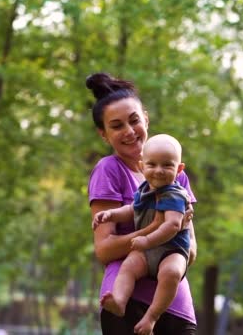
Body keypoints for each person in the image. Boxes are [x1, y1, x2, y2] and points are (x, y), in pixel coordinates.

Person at [86, 72, 197, 334]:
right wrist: (153, 231)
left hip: (176, 303)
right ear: (103, 134)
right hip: (128, 301)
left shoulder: (177, 174)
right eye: (116, 126)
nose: (129, 131)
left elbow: (191, 248)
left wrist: (172, 255)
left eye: (134, 120)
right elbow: (104, 249)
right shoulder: (108, 170)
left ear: (145, 119)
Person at [92, 134, 191, 335]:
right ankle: (119, 300)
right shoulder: (145, 189)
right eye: (152, 164)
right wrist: (111, 214)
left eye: (167, 166)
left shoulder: (174, 194)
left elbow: (172, 225)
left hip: (170, 250)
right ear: (142, 166)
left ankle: (152, 316)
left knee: (171, 273)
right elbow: (131, 210)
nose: (159, 171)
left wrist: (146, 240)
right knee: (128, 267)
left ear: (179, 169)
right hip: (147, 251)